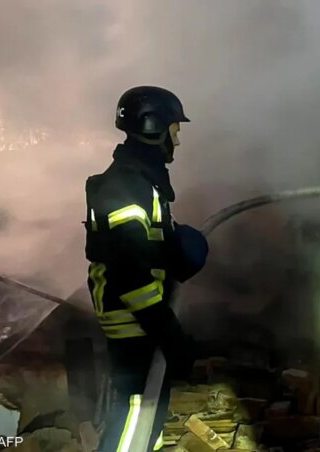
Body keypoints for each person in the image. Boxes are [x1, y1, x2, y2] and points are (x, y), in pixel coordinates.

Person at [84, 86, 209, 451]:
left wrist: (177, 247)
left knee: (147, 420)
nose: (177, 141)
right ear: (154, 127)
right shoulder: (126, 186)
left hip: (143, 319)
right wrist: (168, 332)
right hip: (134, 322)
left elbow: (143, 248)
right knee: (134, 419)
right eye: (174, 130)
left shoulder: (141, 181)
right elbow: (128, 273)